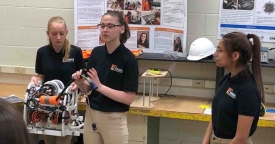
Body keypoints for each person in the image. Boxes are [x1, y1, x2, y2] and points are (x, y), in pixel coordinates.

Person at [72, 10, 139, 144]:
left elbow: (128, 98)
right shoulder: (96, 53)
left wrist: (100, 87)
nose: (105, 30)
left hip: (114, 119)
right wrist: (80, 83)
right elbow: (89, 88)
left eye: (110, 26)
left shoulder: (128, 59)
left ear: (121, 29)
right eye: (102, 26)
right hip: (92, 114)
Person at [31, 16, 85, 144]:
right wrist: (36, 79)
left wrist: (78, 83)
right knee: (49, 139)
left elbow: (82, 75)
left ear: (66, 32)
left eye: (62, 33)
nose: (58, 37)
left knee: (64, 139)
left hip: (67, 104)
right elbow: (41, 75)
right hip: (48, 104)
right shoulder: (42, 52)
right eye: (54, 34)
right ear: (48, 34)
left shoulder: (75, 52)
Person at [202, 32, 263, 144]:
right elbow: (216, 115)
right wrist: (206, 140)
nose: (215, 54)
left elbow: (241, 138)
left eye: (219, 50)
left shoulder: (247, 90)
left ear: (235, 56)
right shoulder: (226, 80)